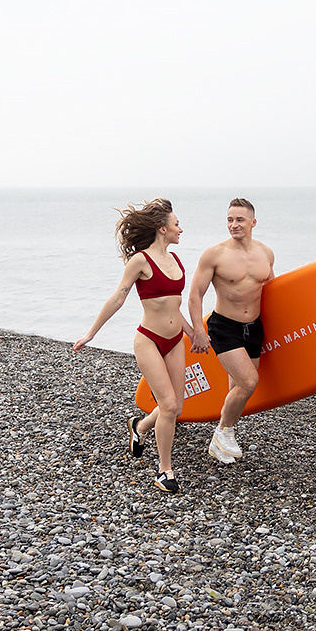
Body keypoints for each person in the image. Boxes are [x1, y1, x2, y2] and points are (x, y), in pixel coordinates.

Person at [71, 197, 193, 493]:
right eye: (176, 223)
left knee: (175, 409)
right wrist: (91, 333)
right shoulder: (141, 260)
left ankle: (139, 427)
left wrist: (195, 333)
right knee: (167, 404)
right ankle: (165, 470)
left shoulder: (176, 260)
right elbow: (118, 297)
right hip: (149, 341)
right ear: (162, 229)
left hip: (176, 341)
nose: (181, 228)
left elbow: (174, 305)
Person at [188, 197, 275, 464]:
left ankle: (224, 440)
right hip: (224, 326)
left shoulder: (266, 253)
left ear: (253, 222)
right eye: (229, 219)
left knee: (237, 386)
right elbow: (194, 296)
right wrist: (198, 332)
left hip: (254, 328)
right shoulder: (215, 254)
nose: (233, 225)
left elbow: (275, 293)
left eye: (239, 219)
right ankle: (222, 433)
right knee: (249, 382)